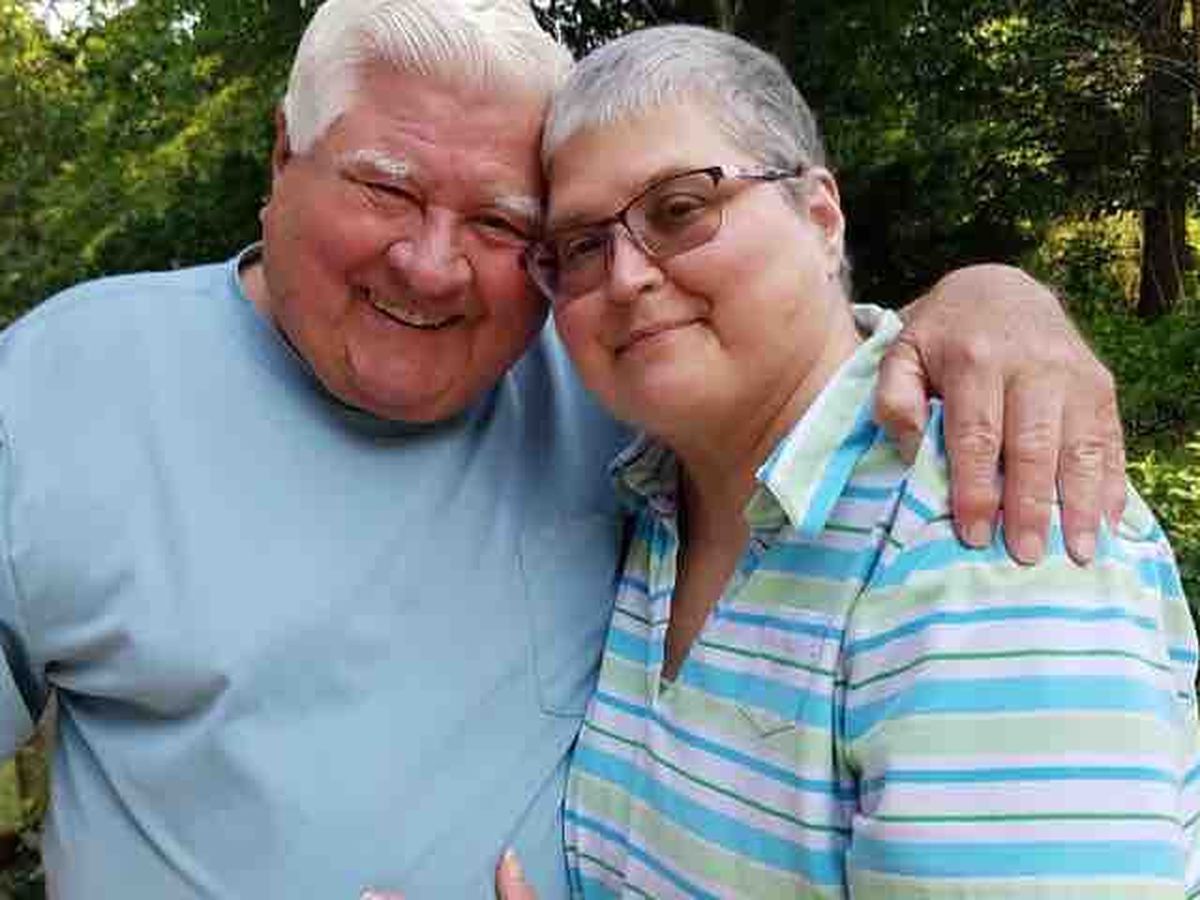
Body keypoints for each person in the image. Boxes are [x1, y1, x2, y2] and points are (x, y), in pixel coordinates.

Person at [0, 1, 1127, 897]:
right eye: (387, 188)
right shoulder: (61, 389)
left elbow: (788, 343)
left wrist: (995, 299)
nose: (432, 266)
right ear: (282, 153)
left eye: (501, 223)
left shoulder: (617, 384)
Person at [494, 24, 1199, 898]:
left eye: (679, 209)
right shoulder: (651, 501)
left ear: (821, 218)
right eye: (580, 246)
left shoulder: (984, 530)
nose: (626, 276)